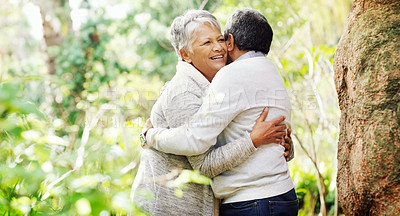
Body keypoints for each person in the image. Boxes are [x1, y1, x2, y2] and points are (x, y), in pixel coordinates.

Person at [132, 10, 293, 216]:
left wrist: (282, 141)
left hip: (210, 204)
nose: (219, 47)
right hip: (171, 206)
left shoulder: (225, 82)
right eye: (206, 43)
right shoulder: (183, 93)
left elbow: (250, 119)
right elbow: (204, 164)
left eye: (220, 39)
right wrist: (253, 140)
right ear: (185, 55)